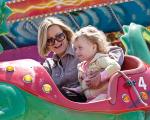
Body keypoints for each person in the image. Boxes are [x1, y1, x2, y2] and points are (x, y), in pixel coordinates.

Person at [37, 16, 124, 102]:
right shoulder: (49, 64)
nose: (56, 42)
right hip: (63, 104)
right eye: (50, 40)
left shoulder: (81, 50)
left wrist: (101, 72)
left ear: (66, 34)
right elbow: (39, 80)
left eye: (59, 36)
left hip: (84, 101)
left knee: (62, 95)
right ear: (45, 44)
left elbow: (116, 50)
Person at [63, 26, 121, 102]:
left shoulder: (100, 59)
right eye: (75, 48)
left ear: (93, 47)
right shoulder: (82, 66)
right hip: (90, 99)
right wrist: (76, 90)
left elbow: (115, 66)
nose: (76, 52)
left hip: (105, 96)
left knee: (87, 108)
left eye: (80, 48)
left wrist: (100, 77)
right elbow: (86, 85)